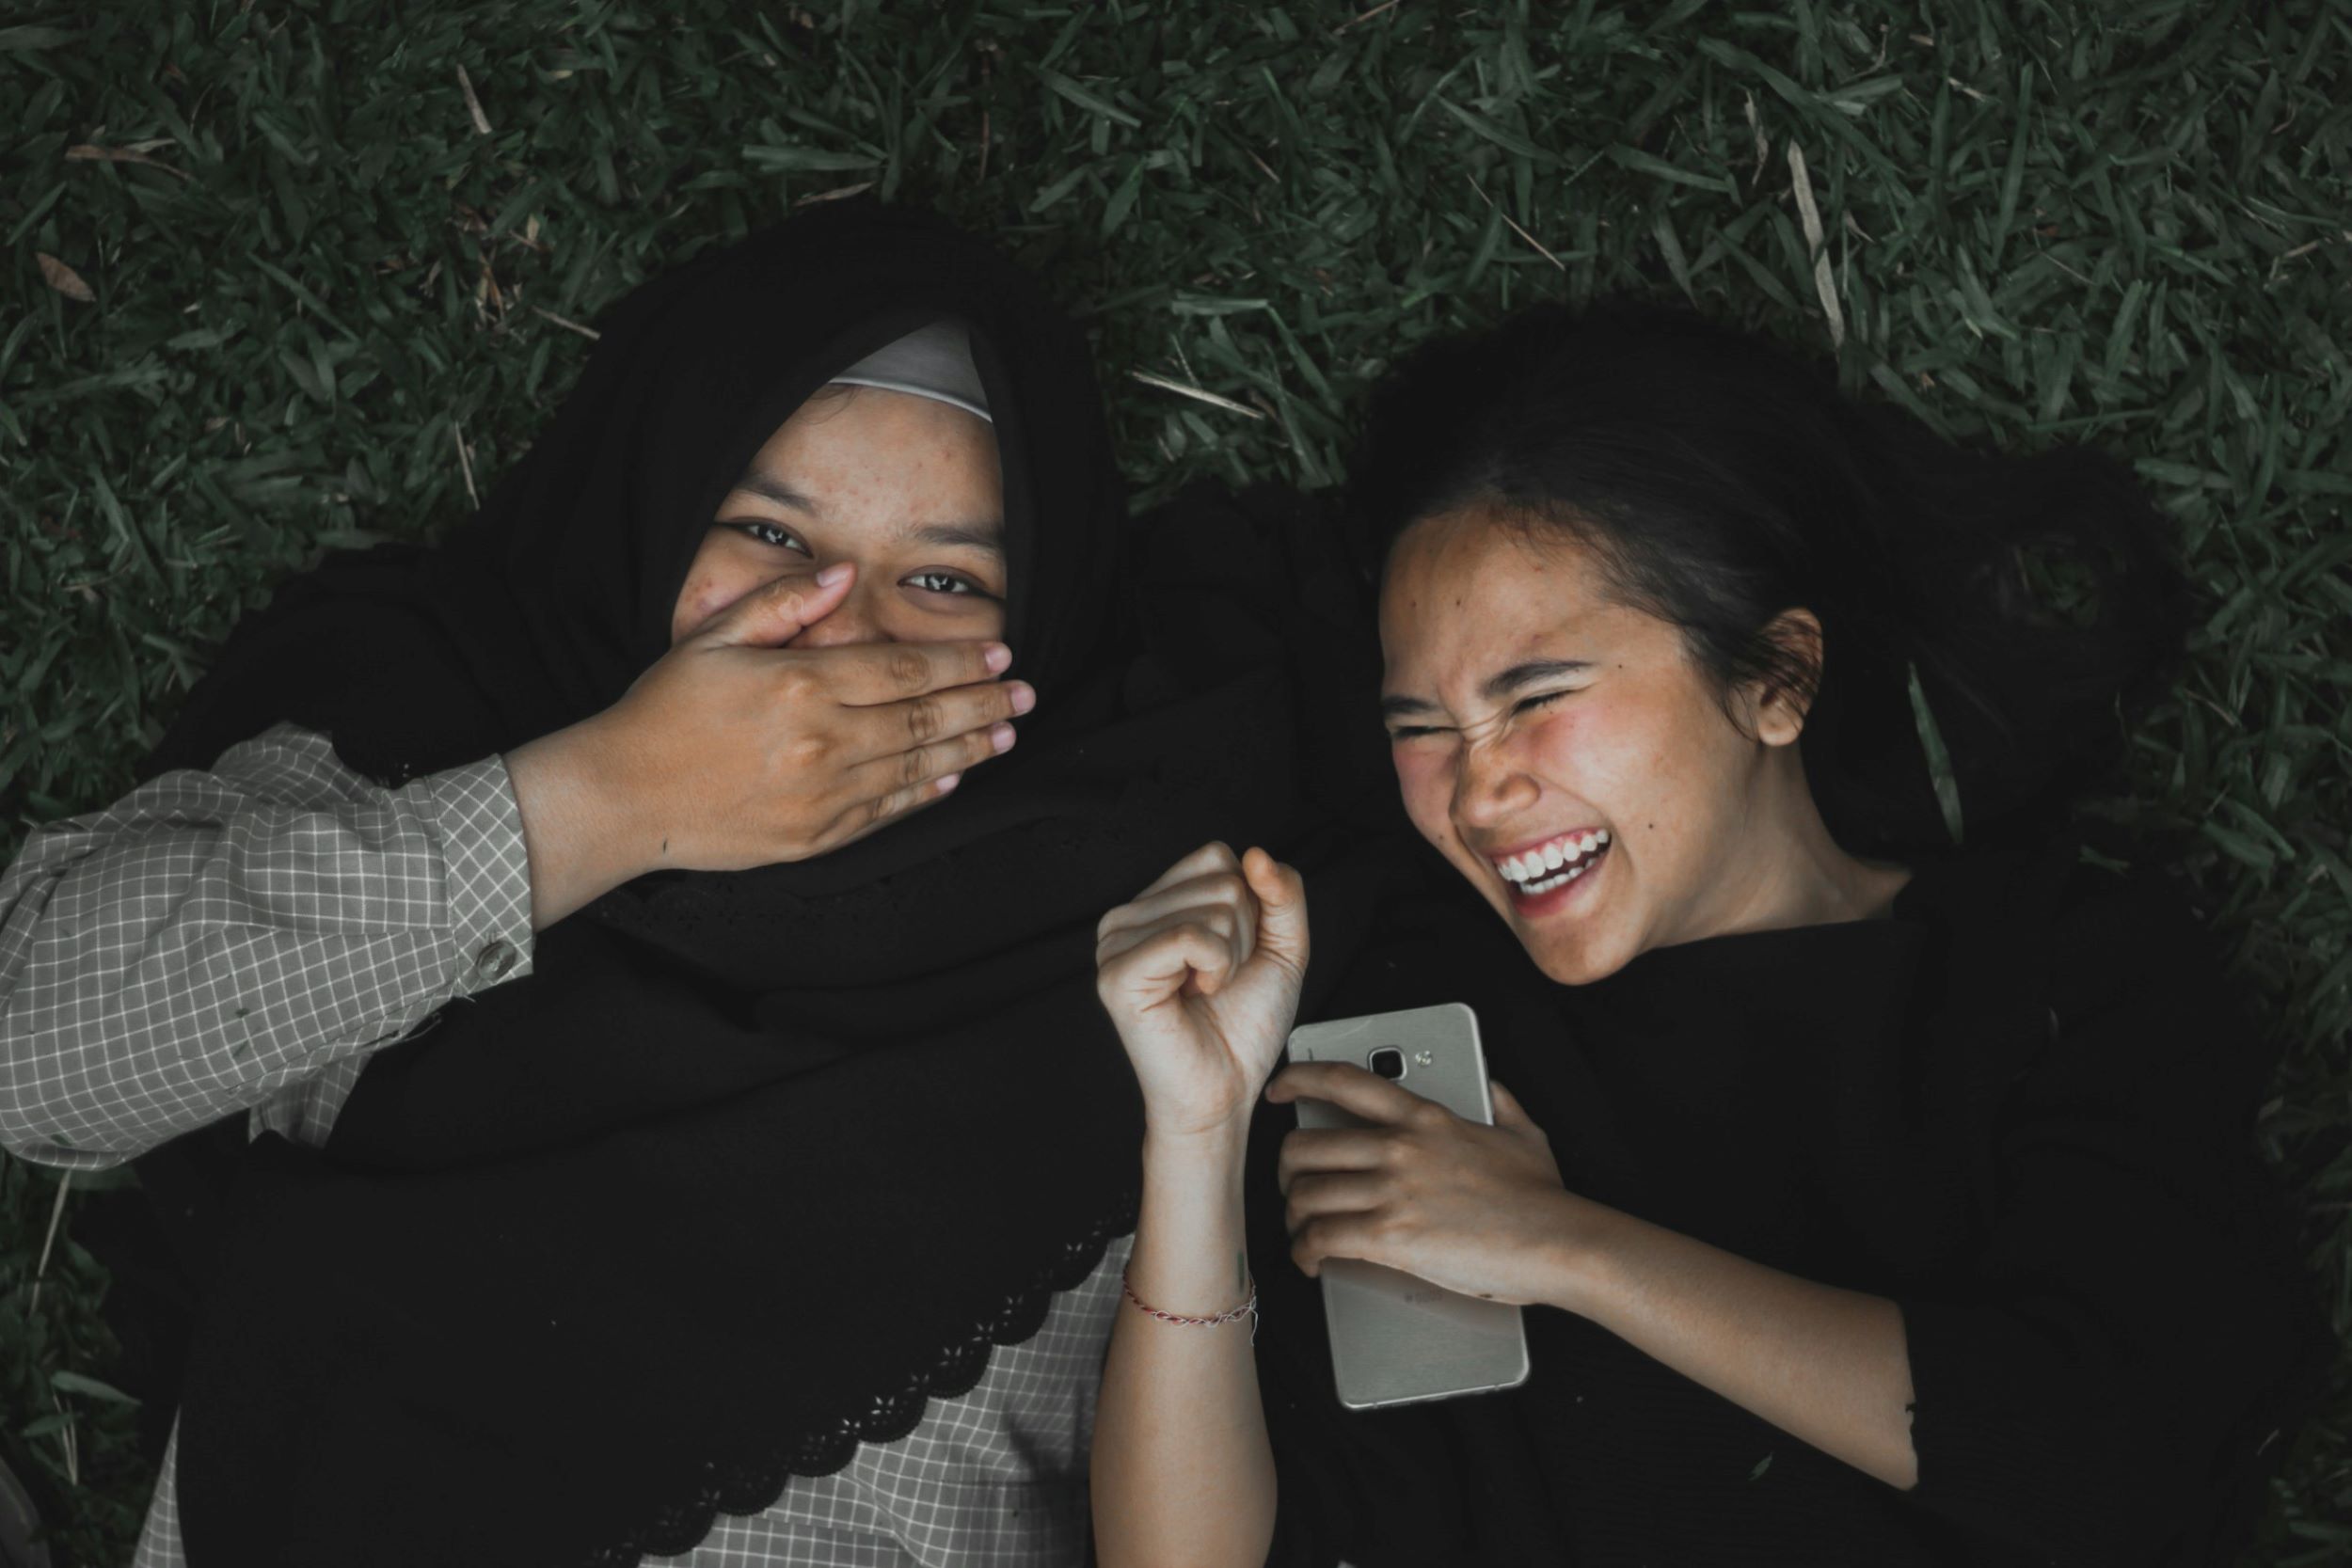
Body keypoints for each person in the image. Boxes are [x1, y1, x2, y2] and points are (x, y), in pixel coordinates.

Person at [0, 201, 1383, 1568]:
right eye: (773, 540)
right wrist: (616, 796)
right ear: (651, 513)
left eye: (947, 579)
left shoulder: (1125, 920)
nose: (838, 635)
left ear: (1041, 628)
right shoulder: (424, 737)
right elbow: (35, 1059)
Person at [1089, 303, 2328, 1566]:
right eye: (1422, 726)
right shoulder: (1412, 1042)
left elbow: (2108, 1468)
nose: (1474, 791)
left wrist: (1562, 1245)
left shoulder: (2054, 974)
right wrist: (1195, 1136)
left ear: (1775, 679)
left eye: (1538, 697)